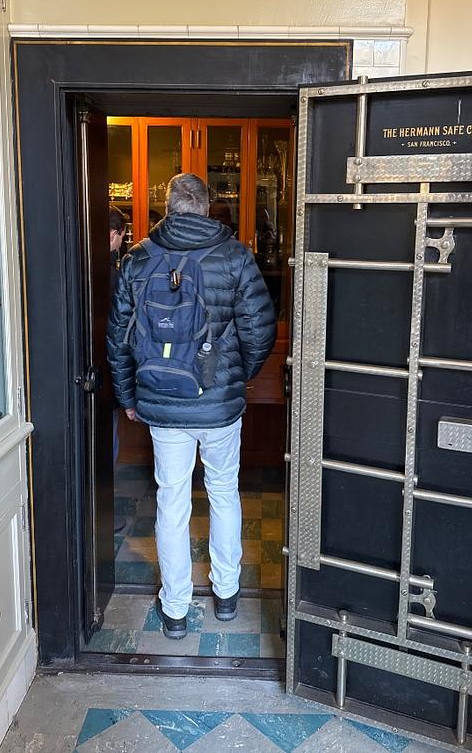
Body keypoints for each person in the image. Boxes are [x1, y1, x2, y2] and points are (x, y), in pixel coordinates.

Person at [107, 174, 276, 639]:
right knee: (223, 492)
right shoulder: (235, 256)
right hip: (218, 406)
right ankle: (226, 594)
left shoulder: (138, 258)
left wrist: (128, 397)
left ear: (168, 207)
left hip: (162, 404)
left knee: (171, 500)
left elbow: (117, 337)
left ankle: (176, 609)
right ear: (205, 207)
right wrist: (236, 376)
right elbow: (260, 329)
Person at [109, 205, 128, 532]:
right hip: (108, 369)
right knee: (107, 439)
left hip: (93, 368)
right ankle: (104, 509)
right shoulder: (114, 274)